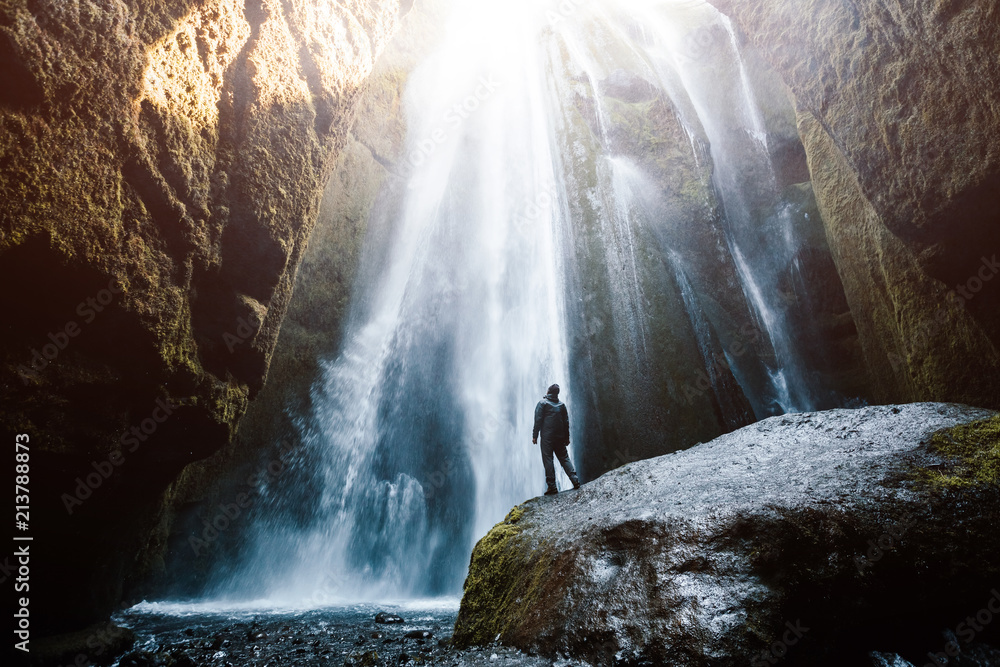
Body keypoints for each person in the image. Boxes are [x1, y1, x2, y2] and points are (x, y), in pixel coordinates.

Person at [532, 383, 581, 495]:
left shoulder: (542, 403)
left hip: (547, 438)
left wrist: (535, 436)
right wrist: (567, 438)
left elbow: (538, 421)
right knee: (564, 458)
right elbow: (566, 423)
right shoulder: (561, 405)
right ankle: (575, 480)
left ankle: (552, 487)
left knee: (548, 460)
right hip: (559, 437)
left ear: (548, 392)